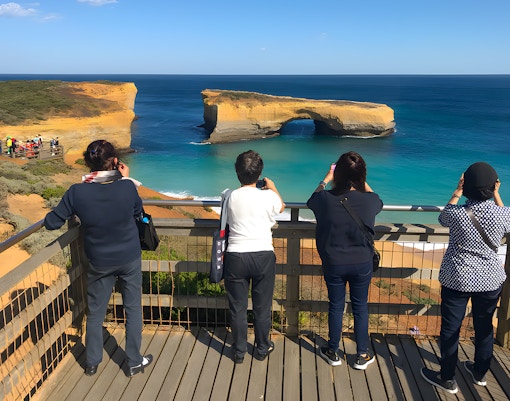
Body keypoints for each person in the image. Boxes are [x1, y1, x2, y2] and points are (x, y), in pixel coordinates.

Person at [44, 140, 153, 377]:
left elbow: (52, 223)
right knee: (133, 309)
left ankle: (92, 361)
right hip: (128, 257)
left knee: (95, 311)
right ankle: (134, 361)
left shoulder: (77, 192)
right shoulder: (126, 187)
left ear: (88, 163)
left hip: (99, 260)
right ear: (115, 162)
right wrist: (125, 179)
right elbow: (137, 213)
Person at [421, 162, 510, 394]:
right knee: (484, 327)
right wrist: (497, 194)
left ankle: (447, 377)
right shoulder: (502, 214)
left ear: (466, 186)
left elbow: (442, 219)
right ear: (493, 187)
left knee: (451, 328)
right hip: (490, 279)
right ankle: (480, 372)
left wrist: (456, 193)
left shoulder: (457, 213)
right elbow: (506, 220)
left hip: (457, 277)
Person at [307, 151, 382, 369]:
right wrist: (361, 180)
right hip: (362, 262)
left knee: (336, 306)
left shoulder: (324, 199)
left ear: (337, 172)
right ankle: (362, 354)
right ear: (362, 175)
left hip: (334, 262)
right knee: (360, 307)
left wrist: (327, 178)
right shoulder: (370, 201)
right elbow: (378, 199)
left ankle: (333, 350)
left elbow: (312, 199)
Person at [224, 150, 285, 364]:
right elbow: (281, 207)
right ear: (259, 174)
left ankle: (239, 351)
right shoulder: (267, 196)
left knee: (238, 307)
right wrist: (273, 187)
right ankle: (262, 348)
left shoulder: (229, 196)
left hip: (236, 256)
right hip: (262, 255)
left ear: (237, 172)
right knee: (262, 306)